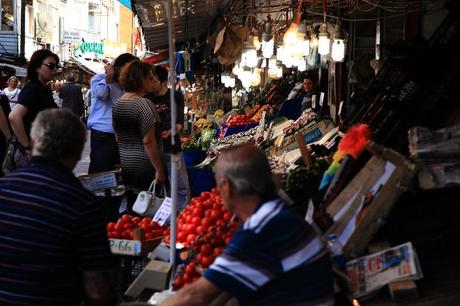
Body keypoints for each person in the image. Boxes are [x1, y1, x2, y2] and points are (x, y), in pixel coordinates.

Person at [161, 144, 334, 306]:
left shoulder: (261, 229)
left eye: (218, 184)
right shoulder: (276, 213)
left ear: (227, 187)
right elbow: (225, 287)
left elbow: (196, 295)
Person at [0, 108, 117, 306]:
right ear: (79, 151)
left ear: (34, 142)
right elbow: (97, 291)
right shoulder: (84, 205)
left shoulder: (4, 188)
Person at [113, 60, 166, 206]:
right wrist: (159, 169)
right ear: (140, 80)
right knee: (148, 211)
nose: (153, 80)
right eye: (150, 77)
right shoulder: (144, 104)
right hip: (146, 167)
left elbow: (118, 137)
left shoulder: (119, 103)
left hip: (127, 165)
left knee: (133, 208)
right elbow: (148, 141)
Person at [145, 65, 191, 210]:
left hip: (172, 147)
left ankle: (182, 216)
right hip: (154, 150)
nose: (151, 83)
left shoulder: (176, 95)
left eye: (154, 80)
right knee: (161, 186)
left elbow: (179, 124)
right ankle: (163, 218)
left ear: (163, 81)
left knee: (180, 186)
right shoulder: (147, 98)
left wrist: (171, 131)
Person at [87, 53, 137, 174]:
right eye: (127, 68)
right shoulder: (99, 79)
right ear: (118, 67)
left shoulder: (127, 85)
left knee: (116, 172)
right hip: (102, 133)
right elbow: (101, 94)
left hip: (120, 135)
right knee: (99, 172)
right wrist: (108, 78)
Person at [8, 49, 59, 160]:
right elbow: (14, 116)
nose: (55, 69)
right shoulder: (33, 89)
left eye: (56, 66)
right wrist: (27, 147)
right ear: (37, 68)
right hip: (30, 156)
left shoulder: (43, 89)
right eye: (50, 66)